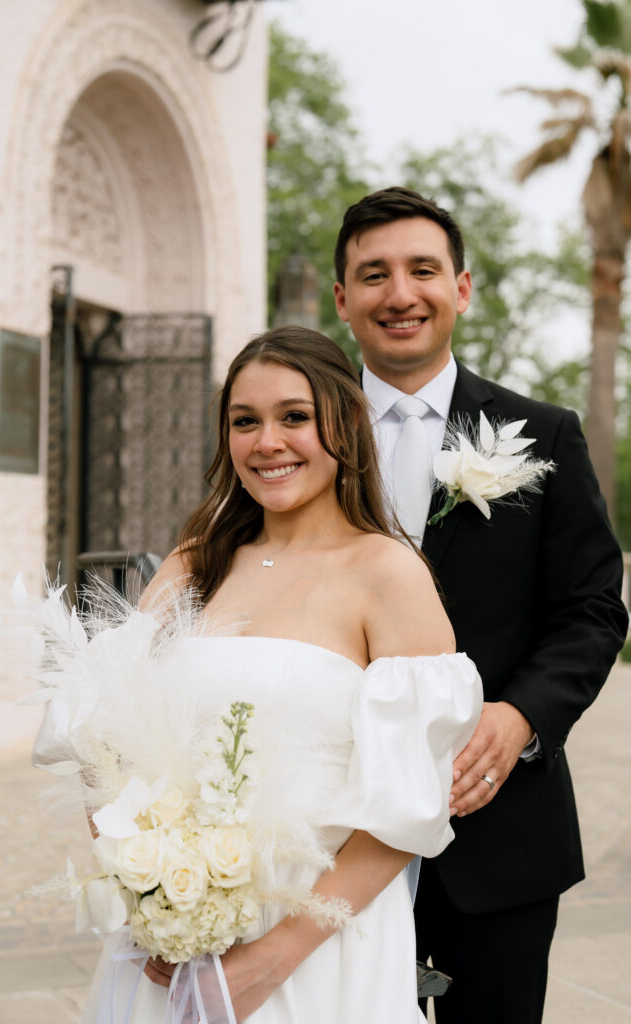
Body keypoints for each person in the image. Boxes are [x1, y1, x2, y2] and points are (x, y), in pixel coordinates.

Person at [33, 326, 482, 1023]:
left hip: (318, 943)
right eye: (245, 421)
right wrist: (149, 895)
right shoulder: (194, 565)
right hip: (171, 949)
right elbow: (102, 740)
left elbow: (407, 806)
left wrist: (272, 958)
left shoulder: (387, 574)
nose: (266, 441)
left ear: (346, 421)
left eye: (293, 417)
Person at [332, 186, 629, 1024]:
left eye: (422, 270)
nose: (399, 294)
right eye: (373, 274)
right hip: (329, 830)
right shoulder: (298, 436)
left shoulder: (544, 435)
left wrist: (522, 719)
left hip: (497, 834)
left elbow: (592, 611)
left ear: (460, 288)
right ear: (342, 299)